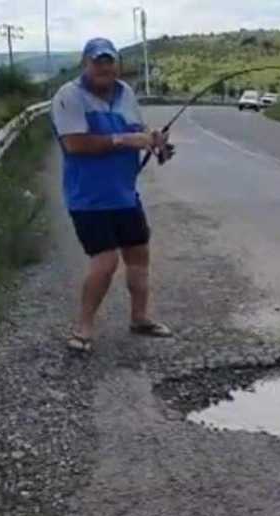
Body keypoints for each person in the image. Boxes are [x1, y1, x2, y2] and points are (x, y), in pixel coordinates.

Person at [50, 37, 175, 353]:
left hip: (125, 195)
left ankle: (140, 318)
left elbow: (139, 132)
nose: (104, 67)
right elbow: (75, 144)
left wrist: (154, 142)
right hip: (88, 198)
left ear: (116, 63)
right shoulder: (69, 96)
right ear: (86, 64)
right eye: (97, 61)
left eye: (109, 61)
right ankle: (83, 328)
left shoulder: (126, 93)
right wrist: (124, 139)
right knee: (105, 262)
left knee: (138, 257)